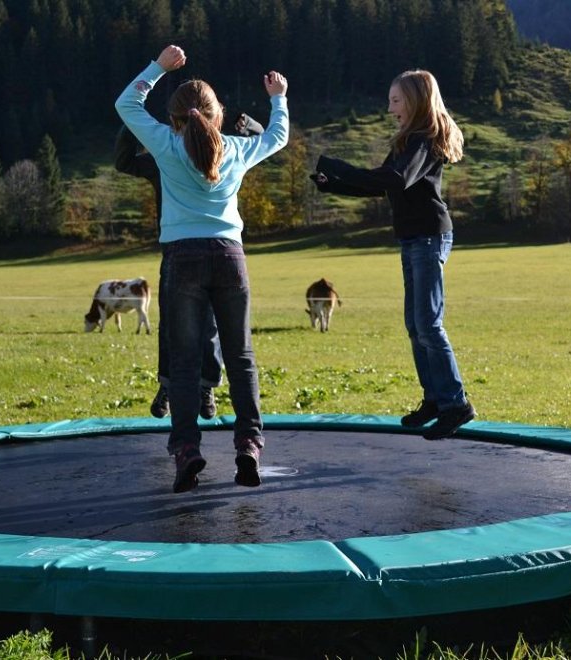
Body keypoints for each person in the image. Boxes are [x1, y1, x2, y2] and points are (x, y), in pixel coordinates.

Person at [116, 45, 289, 492]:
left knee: (184, 361)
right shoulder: (237, 148)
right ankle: (248, 445)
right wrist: (278, 97)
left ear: (175, 119)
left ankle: (187, 451)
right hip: (230, 257)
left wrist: (159, 67)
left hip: (182, 258)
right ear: (218, 115)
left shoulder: (166, 145)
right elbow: (277, 137)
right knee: (241, 357)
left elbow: (126, 104)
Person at [310, 69, 474, 440]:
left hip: (429, 237)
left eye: (396, 100)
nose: (390, 109)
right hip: (413, 238)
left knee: (428, 324)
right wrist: (334, 185)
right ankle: (435, 399)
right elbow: (381, 184)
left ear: (415, 101)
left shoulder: (424, 139)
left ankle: (456, 404)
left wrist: (337, 166)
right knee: (415, 325)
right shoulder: (407, 141)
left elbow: (395, 180)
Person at [114, 113, 264, 421]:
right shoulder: (165, 156)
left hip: (209, 250)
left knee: (209, 325)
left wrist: (251, 127)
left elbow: (259, 143)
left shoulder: (222, 151)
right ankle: (170, 385)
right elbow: (124, 161)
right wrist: (132, 125)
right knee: (174, 326)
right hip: (181, 250)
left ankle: (205, 386)